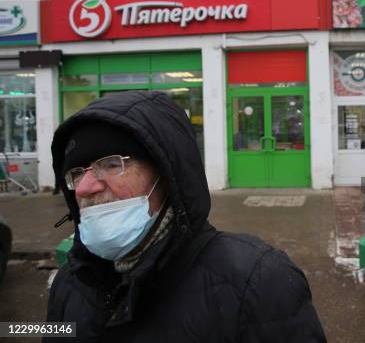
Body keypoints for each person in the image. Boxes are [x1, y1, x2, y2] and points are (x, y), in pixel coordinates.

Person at [44, 91, 326, 342]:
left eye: (110, 164)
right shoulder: (69, 282)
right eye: (76, 173)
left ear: (167, 175)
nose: (84, 187)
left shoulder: (258, 282)